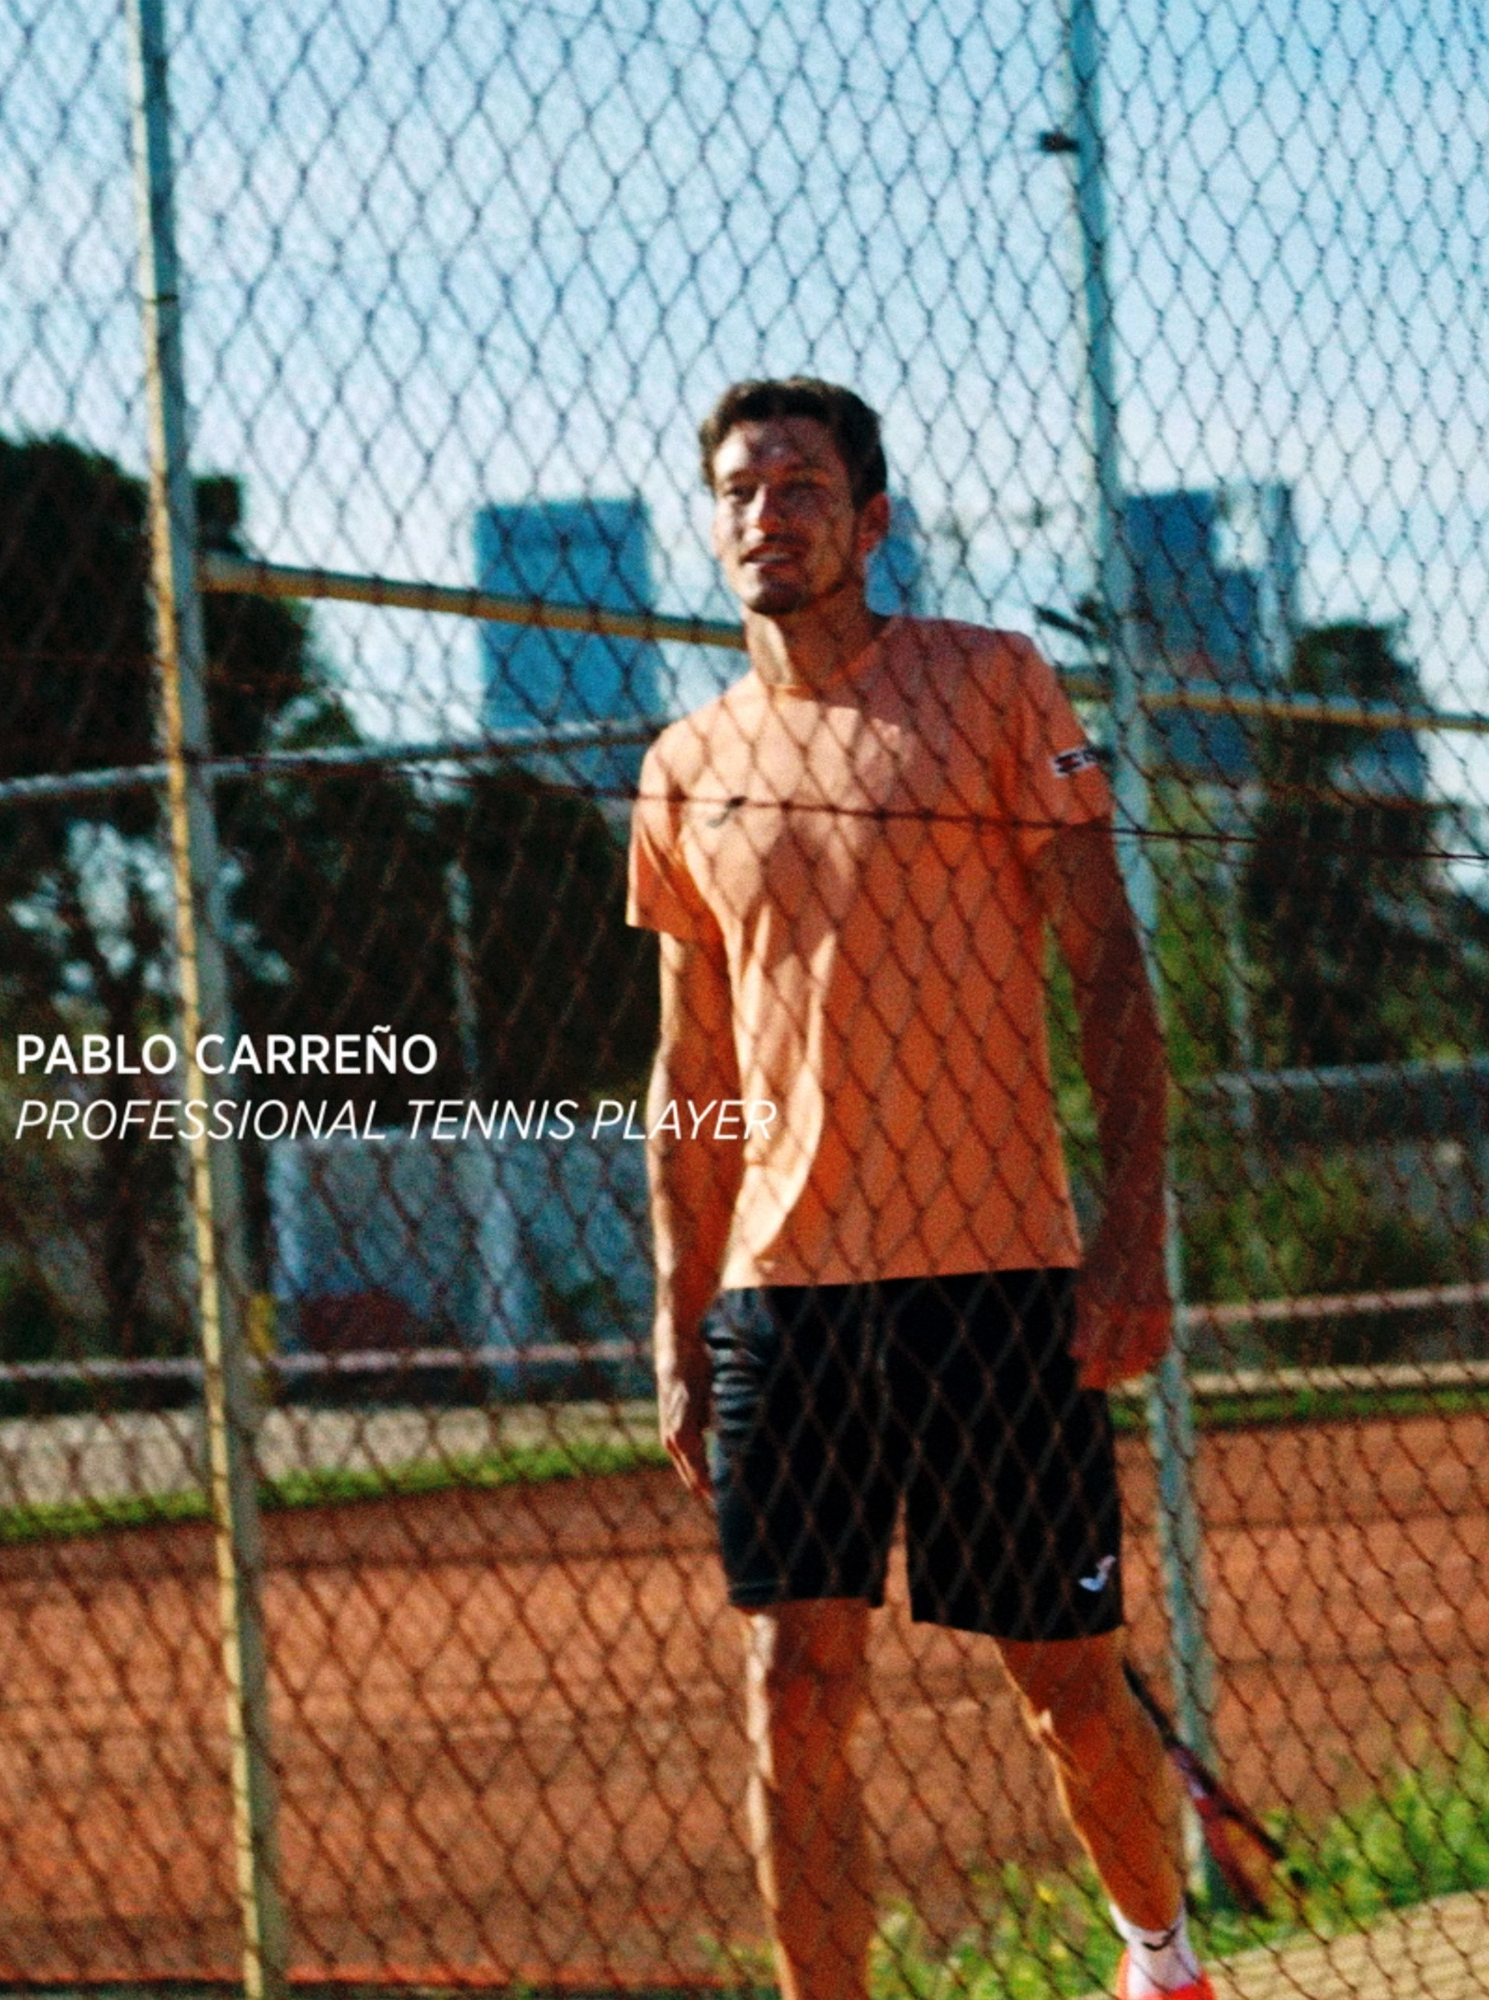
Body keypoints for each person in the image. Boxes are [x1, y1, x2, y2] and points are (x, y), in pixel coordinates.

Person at [627, 378, 1213, 2000]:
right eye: (742, 490)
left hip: (998, 1277)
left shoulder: (991, 683)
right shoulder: (685, 765)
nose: (770, 514)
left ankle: (1159, 1957)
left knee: (1068, 1689)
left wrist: (1131, 1230)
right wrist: (679, 1317)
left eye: (804, 486)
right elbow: (690, 1070)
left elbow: (1107, 966)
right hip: (786, 1298)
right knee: (794, 1688)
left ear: (872, 521)